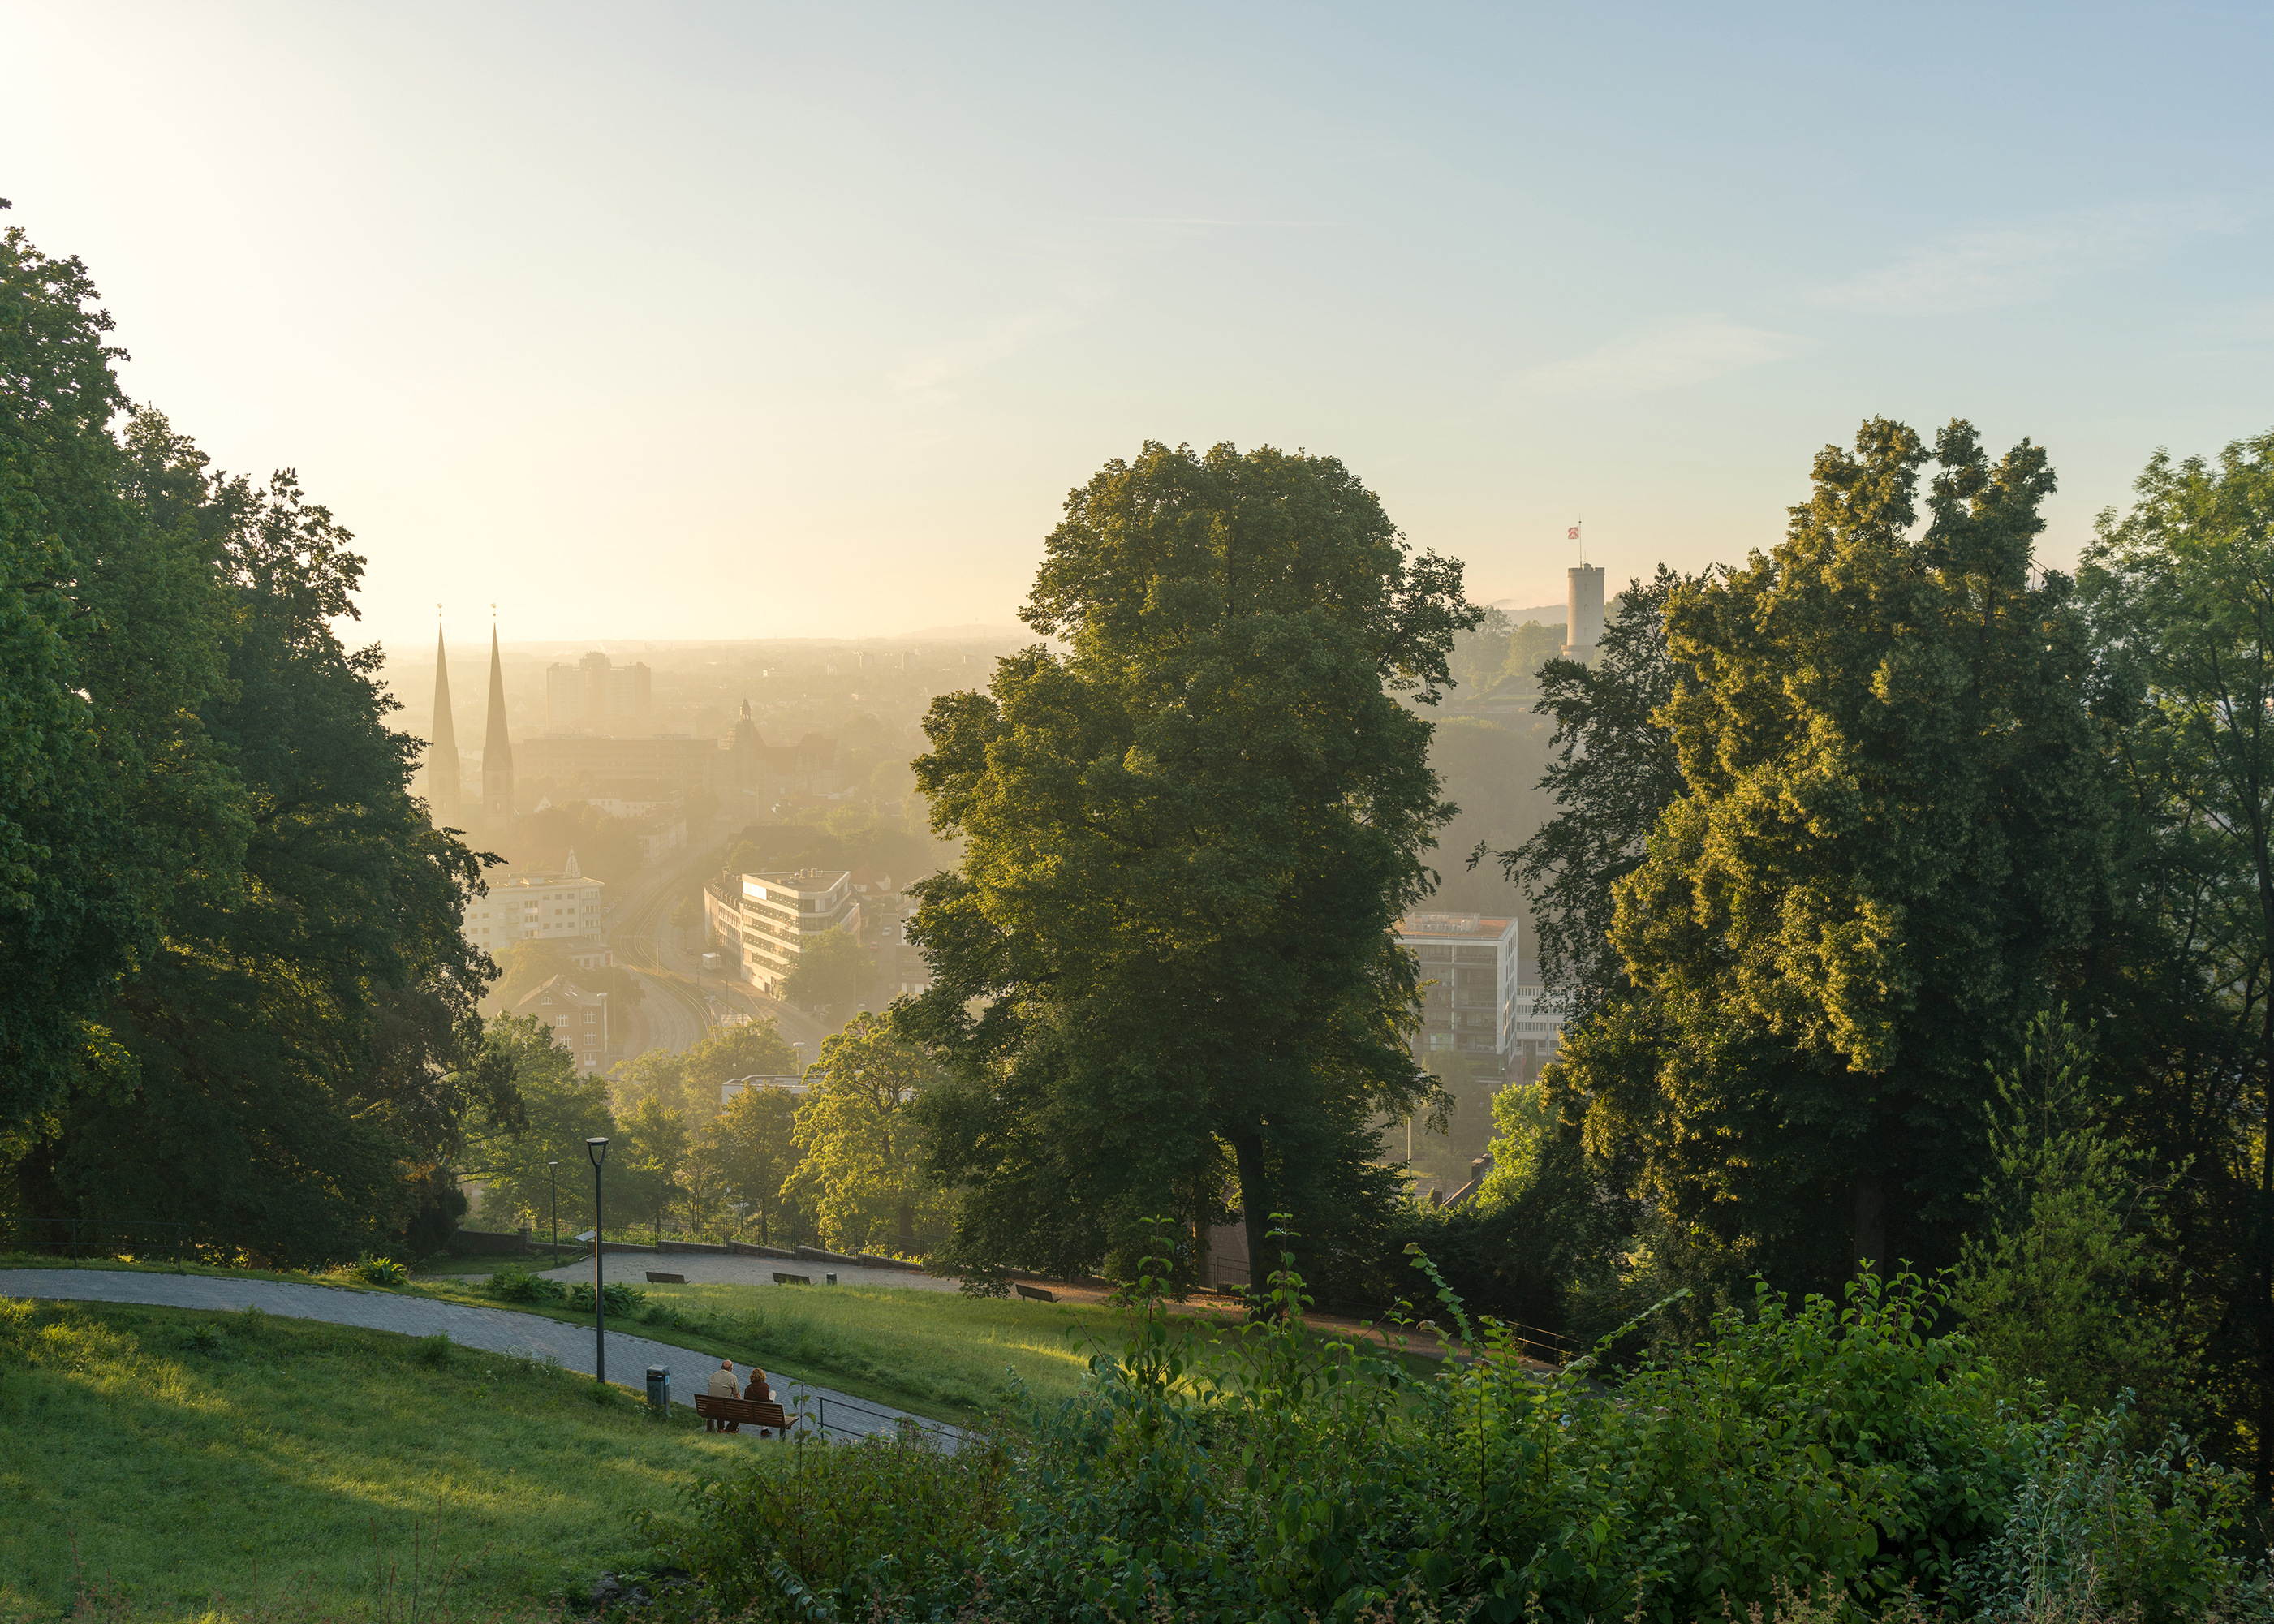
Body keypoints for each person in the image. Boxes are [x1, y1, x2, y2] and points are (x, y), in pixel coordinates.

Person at [705, 1359, 739, 1433]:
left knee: (718, 1402)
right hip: (724, 1409)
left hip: (710, 1408)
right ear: (731, 1369)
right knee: (736, 1410)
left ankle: (720, 1428)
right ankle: (730, 1429)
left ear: (721, 1367)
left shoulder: (713, 1376)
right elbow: (737, 1396)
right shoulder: (733, 1378)